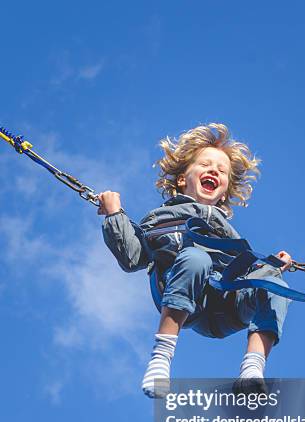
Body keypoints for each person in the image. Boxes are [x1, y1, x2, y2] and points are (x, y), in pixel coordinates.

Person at [98, 124, 292, 398]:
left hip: (226, 307)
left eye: (221, 170)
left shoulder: (229, 233)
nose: (214, 170)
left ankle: (252, 371)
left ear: (224, 192)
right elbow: (132, 257)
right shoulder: (159, 219)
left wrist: (272, 267)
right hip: (185, 297)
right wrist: (114, 214)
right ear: (181, 180)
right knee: (196, 257)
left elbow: (249, 275)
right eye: (205, 164)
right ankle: (161, 360)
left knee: (273, 282)